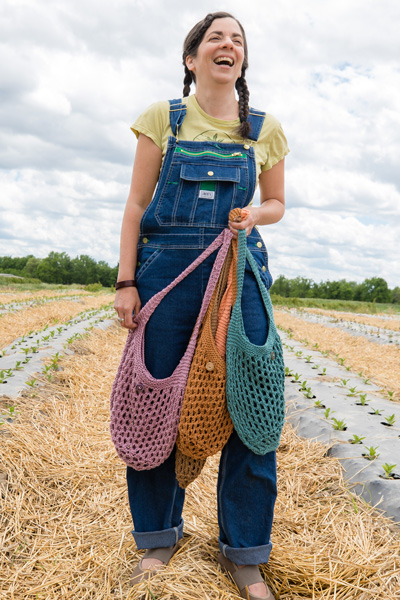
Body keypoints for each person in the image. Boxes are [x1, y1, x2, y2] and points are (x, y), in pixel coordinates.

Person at [113, 11, 289, 600]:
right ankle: (158, 539)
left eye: (237, 40)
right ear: (192, 58)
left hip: (240, 275)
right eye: (216, 37)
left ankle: (245, 553)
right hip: (169, 272)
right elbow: (137, 207)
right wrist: (126, 282)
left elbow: (278, 203)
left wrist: (256, 215)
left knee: (252, 407)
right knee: (156, 401)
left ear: (242, 62)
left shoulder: (264, 129)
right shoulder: (163, 118)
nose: (228, 44)